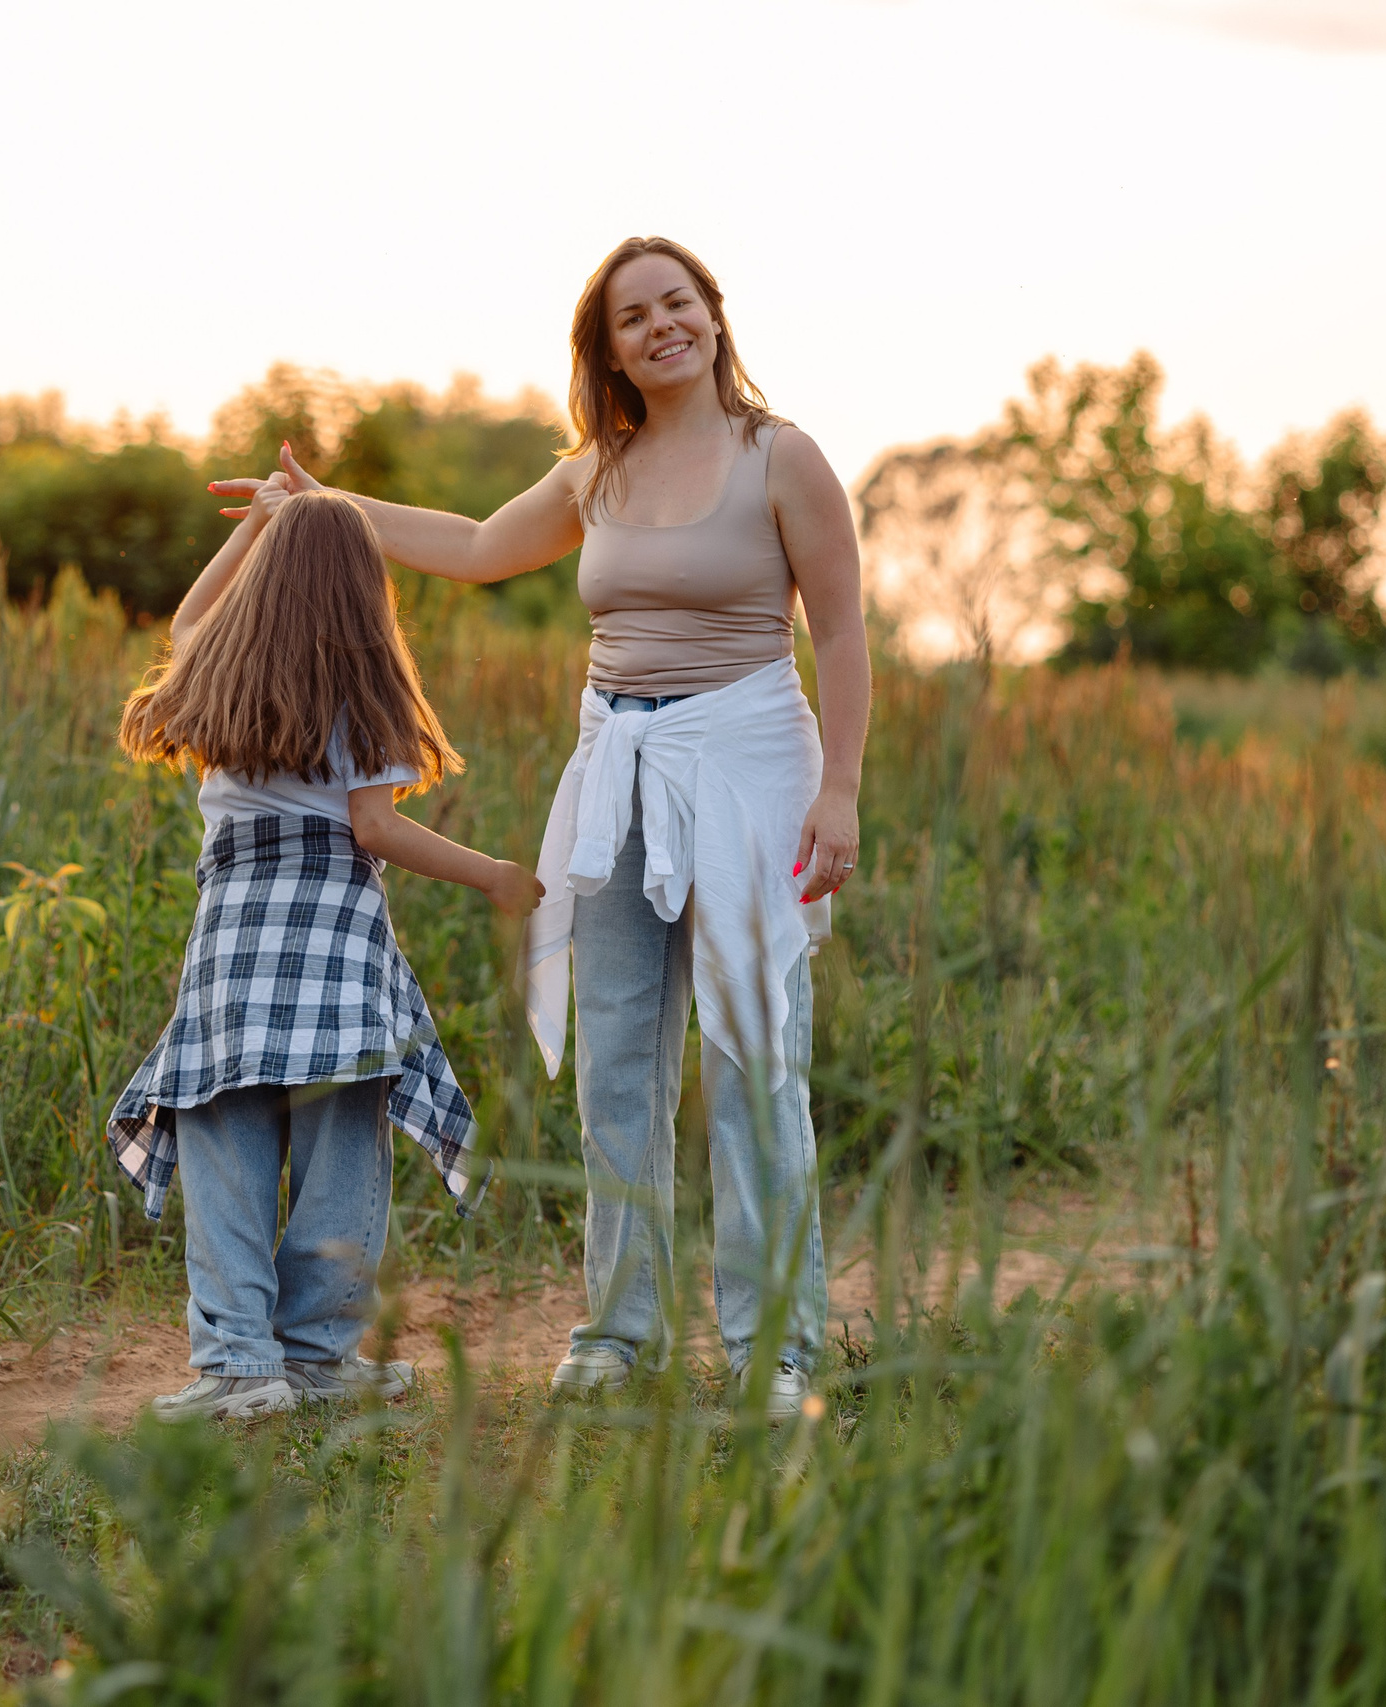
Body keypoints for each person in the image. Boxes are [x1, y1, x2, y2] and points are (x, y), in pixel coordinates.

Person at [217, 236, 869, 1420]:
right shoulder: (595, 472)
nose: (661, 326)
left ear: (713, 315)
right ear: (608, 349)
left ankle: (773, 1346)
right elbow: (475, 548)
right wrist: (325, 508)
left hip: (747, 766)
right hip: (615, 768)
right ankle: (619, 1330)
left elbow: (840, 632)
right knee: (616, 1061)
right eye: (634, 317)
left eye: (677, 303)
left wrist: (841, 791)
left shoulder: (782, 458)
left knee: (750, 1057)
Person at [108, 484, 545, 1422]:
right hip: (337, 940)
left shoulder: (218, 670)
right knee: (343, 1148)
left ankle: (239, 1365)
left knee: (226, 1144)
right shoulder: (367, 692)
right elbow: (376, 828)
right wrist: (494, 875)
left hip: (233, 944)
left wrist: (257, 526)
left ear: (262, 579)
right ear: (365, 588)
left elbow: (186, 618)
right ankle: (316, 1356)